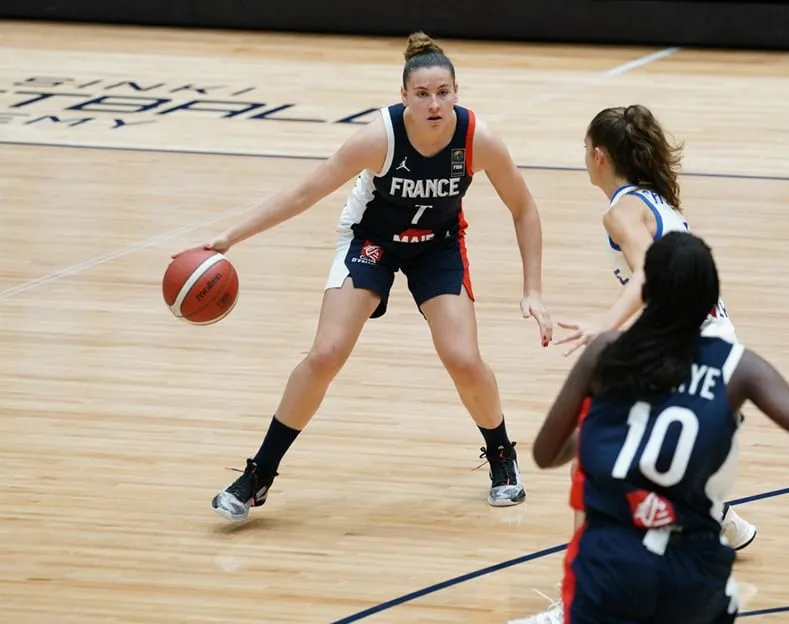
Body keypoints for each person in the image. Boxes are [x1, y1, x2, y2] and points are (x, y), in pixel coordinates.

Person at [178, 31, 554, 521]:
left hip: (436, 247)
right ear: (404, 97)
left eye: (443, 93)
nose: (434, 103)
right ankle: (259, 475)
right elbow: (302, 194)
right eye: (422, 94)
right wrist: (232, 236)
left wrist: (533, 290)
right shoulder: (379, 137)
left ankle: (502, 456)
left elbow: (524, 208)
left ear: (457, 93)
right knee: (325, 354)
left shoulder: (477, 140)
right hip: (369, 242)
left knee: (462, 358)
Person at [528, 231, 789, 624]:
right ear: (711, 298)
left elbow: (543, 453)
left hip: (611, 560)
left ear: (645, 292)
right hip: (689, 564)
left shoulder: (606, 351)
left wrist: (598, 430)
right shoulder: (738, 367)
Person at [506, 104, 755, 624]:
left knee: (599, 464)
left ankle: (577, 607)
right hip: (718, 345)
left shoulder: (620, 209)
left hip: (690, 352)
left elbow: (651, 274)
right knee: (652, 459)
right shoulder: (657, 200)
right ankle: (720, 518)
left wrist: (604, 327)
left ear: (599, 156)